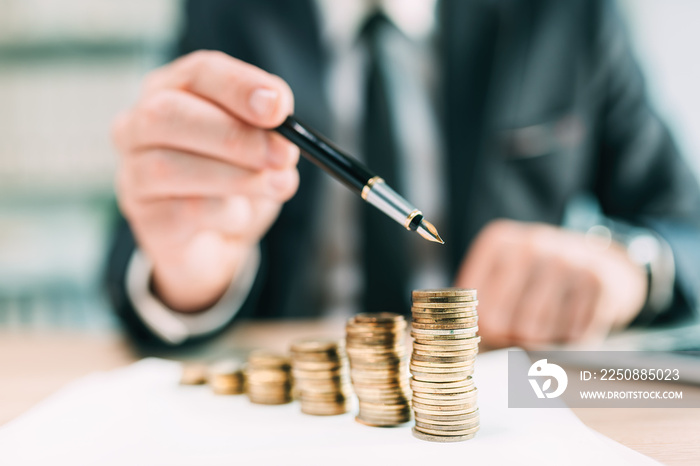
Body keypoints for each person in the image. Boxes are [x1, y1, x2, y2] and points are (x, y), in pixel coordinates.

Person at [107, 0, 700, 349]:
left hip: (506, 399)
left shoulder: (567, 14)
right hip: (299, 411)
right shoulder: (228, 14)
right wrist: (193, 282)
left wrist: (628, 265)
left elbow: (685, 226)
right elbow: (138, 252)